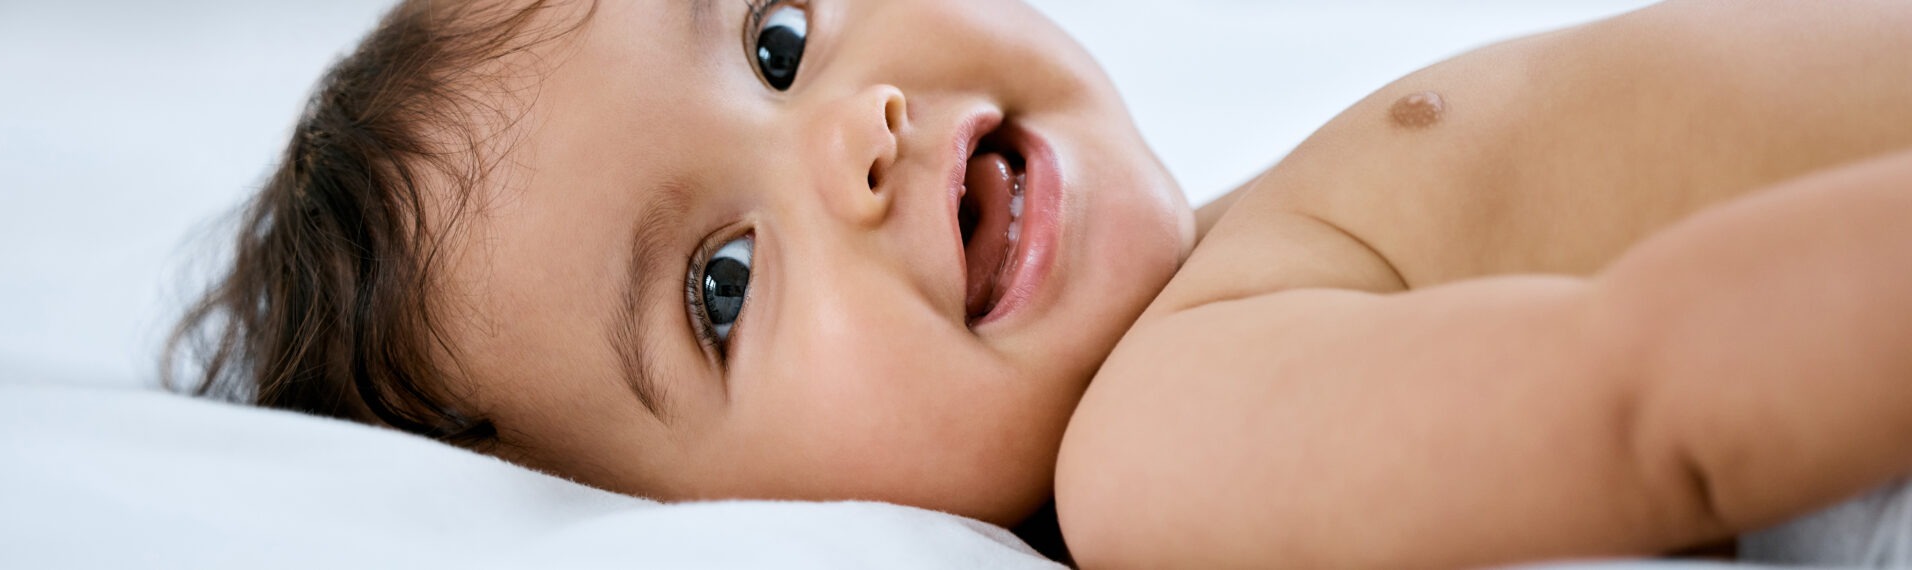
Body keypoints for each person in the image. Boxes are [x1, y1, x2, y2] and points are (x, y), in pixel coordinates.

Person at [170, 0, 1912, 567]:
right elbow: (1654, 386)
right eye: (716, 284)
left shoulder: (1227, 261)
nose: (848, 142)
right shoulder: (1169, 440)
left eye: (773, 40)